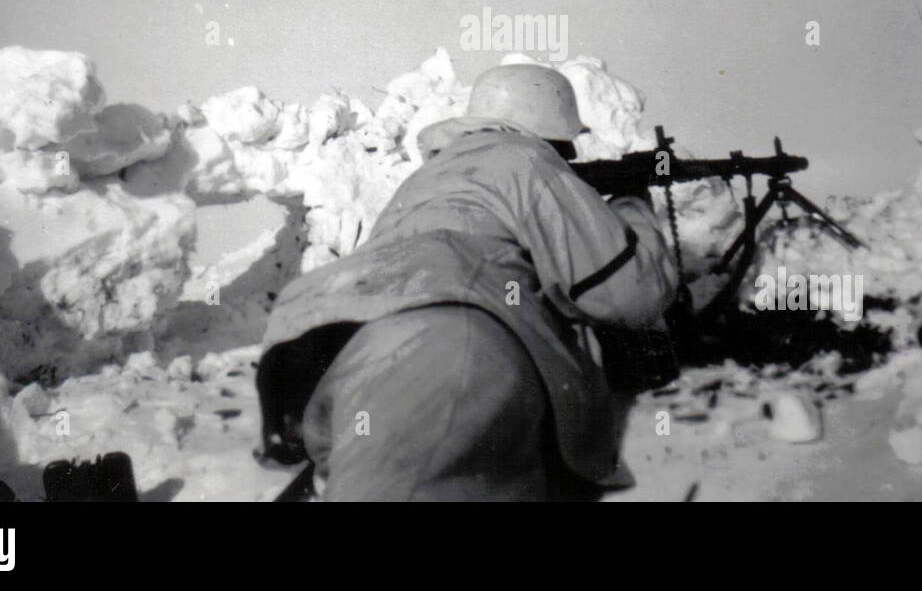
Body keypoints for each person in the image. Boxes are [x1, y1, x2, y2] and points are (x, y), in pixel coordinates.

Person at [255, 63, 679, 501]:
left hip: (308, 339)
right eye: (566, 147)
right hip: (443, 336)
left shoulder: (426, 180)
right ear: (549, 136)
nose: (567, 158)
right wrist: (631, 207)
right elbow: (629, 293)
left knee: (366, 469)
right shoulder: (527, 158)